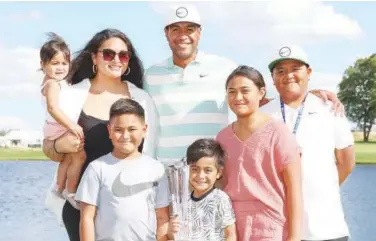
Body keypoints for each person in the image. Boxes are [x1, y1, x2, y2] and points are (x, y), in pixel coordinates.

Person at [144, 4, 344, 167]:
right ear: (166, 33)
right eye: (175, 29)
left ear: (200, 33)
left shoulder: (223, 67)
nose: (183, 35)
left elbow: (257, 98)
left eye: (190, 28)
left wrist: (309, 96)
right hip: (166, 170)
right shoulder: (151, 75)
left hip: (213, 170)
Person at [42, 28, 160, 241]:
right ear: (95, 57)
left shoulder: (142, 99)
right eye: (108, 54)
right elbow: (48, 147)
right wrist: (61, 145)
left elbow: (150, 155)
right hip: (80, 206)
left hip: (128, 208)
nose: (116, 60)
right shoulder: (71, 94)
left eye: (123, 55)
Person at [261, 46, 355, 241]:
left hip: (327, 227)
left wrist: (322, 189)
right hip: (278, 228)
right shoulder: (262, 113)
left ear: (309, 72)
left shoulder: (329, 108)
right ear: (272, 77)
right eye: (281, 71)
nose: (289, 75)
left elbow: (346, 162)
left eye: (296, 68)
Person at [216, 65, 303, 241]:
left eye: (244, 91)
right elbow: (219, 186)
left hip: (270, 229)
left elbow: (294, 189)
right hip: (230, 230)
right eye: (231, 92)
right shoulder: (222, 138)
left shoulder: (279, 133)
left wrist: (294, 237)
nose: (237, 97)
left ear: (261, 92)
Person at [76, 98, 170, 241]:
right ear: (109, 131)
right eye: (118, 130)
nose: (125, 136)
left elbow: (162, 216)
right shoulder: (97, 168)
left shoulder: (156, 169)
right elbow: (87, 217)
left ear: (144, 130)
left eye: (132, 129)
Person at [40, 32, 85, 209]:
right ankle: (70, 190)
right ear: (43, 65)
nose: (60, 68)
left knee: (69, 158)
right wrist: (71, 125)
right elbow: (53, 108)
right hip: (57, 128)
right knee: (79, 156)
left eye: (64, 63)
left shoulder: (59, 82)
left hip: (58, 127)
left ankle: (59, 187)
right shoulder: (51, 83)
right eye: (55, 63)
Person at [167, 138, 237, 241]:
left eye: (208, 170)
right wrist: (171, 231)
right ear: (188, 170)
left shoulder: (220, 199)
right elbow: (174, 236)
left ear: (218, 173)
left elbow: (230, 234)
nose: (201, 176)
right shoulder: (183, 202)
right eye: (195, 169)